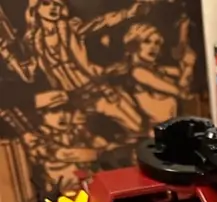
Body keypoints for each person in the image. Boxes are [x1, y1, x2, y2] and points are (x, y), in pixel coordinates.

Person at [0, 0, 156, 135]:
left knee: (138, 125)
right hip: (73, 99)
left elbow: (101, 22)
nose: (53, 8)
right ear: (35, 8)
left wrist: (128, 13)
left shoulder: (70, 27)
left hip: (96, 87)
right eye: (46, 3)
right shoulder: (33, 41)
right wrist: (9, 56)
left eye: (57, 4)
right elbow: (28, 76)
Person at [22, 90, 107, 193]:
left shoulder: (75, 129)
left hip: (90, 182)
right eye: (55, 111)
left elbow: (96, 141)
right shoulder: (36, 138)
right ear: (42, 114)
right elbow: (64, 154)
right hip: (64, 190)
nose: (62, 115)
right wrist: (102, 154)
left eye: (66, 109)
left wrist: (108, 146)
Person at [120, 19, 197, 128]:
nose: (153, 47)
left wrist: (183, 34)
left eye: (157, 43)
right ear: (134, 45)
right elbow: (181, 92)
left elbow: (182, 73)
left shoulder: (157, 69)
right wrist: (189, 67)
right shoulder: (138, 73)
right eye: (147, 41)